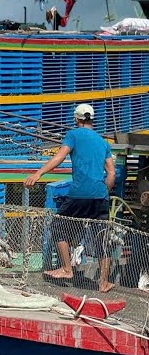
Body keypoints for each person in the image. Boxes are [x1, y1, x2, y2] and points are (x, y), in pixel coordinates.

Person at [26, 103, 117, 292]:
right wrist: (104, 192)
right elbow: (111, 174)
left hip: (79, 193)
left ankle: (67, 269)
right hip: (100, 196)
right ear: (92, 119)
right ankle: (103, 282)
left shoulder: (73, 135)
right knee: (102, 238)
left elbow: (59, 157)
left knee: (59, 226)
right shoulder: (103, 142)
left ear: (76, 119)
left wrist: (38, 174)